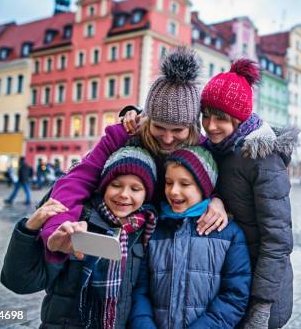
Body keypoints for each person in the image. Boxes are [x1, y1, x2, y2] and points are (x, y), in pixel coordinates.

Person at [41, 47, 228, 263]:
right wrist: (58, 227)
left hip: (164, 252)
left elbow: (222, 184)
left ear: (193, 127)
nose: (167, 138)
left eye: (178, 130)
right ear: (146, 119)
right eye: (159, 127)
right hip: (119, 245)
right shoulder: (122, 135)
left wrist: (217, 200)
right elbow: (77, 181)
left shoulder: (202, 150)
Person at [2, 145, 158, 328]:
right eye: (115, 185)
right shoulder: (74, 223)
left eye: (135, 188)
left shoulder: (145, 230)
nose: (124, 194)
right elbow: (20, 282)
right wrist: (29, 230)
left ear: (146, 194)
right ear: (103, 187)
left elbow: (141, 292)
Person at [199, 59, 298, 329]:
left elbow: (278, 238)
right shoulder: (216, 149)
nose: (210, 125)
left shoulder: (261, 157)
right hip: (231, 284)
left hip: (260, 290)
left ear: (239, 118)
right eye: (205, 115)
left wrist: (262, 306)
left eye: (220, 118)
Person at [130, 146, 251, 328]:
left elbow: (234, 296)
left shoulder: (229, 234)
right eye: (169, 182)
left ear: (204, 187)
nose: (173, 191)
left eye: (185, 184)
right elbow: (140, 289)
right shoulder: (153, 228)